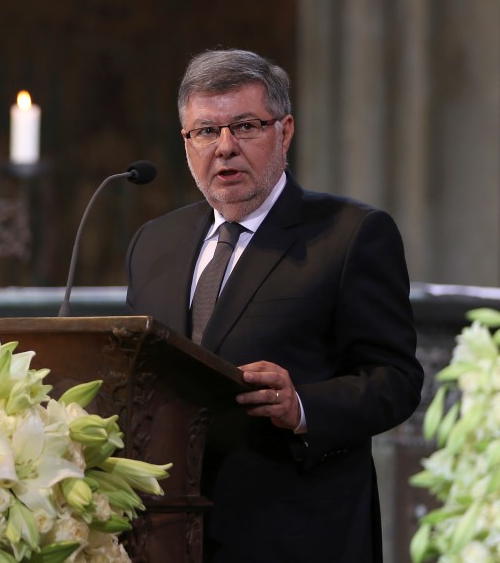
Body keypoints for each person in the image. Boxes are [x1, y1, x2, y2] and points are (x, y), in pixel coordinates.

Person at [125, 49, 424, 562]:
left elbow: (395, 380)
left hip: (297, 533)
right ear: (186, 142)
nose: (225, 148)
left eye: (245, 126)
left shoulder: (350, 235)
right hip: (169, 532)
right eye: (205, 131)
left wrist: (302, 406)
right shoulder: (155, 242)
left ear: (284, 132)